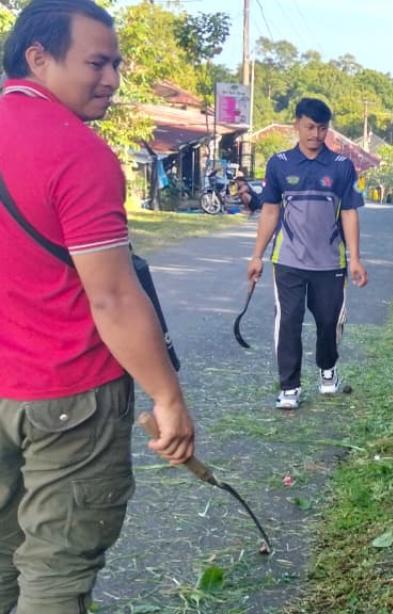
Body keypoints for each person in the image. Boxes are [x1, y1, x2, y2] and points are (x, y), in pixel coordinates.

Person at [0, 1, 197, 610]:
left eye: (116, 64)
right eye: (97, 63)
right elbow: (111, 297)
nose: (111, 79)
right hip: (69, 396)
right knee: (55, 570)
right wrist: (168, 398)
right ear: (38, 57)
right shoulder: (75, 153)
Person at [246, 98, 368, 410]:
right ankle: (290, 387)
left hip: (330, 262)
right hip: (288, 260)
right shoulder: (279, 163)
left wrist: (355, 258)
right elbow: (270, 211)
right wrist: (257, 255)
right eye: (310, 127)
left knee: (329, 321)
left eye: (322, 128)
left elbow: (350, 213)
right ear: (297, 125)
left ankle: (328, 369)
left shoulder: (341, 166)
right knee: (289, 320)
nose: (316, 134)